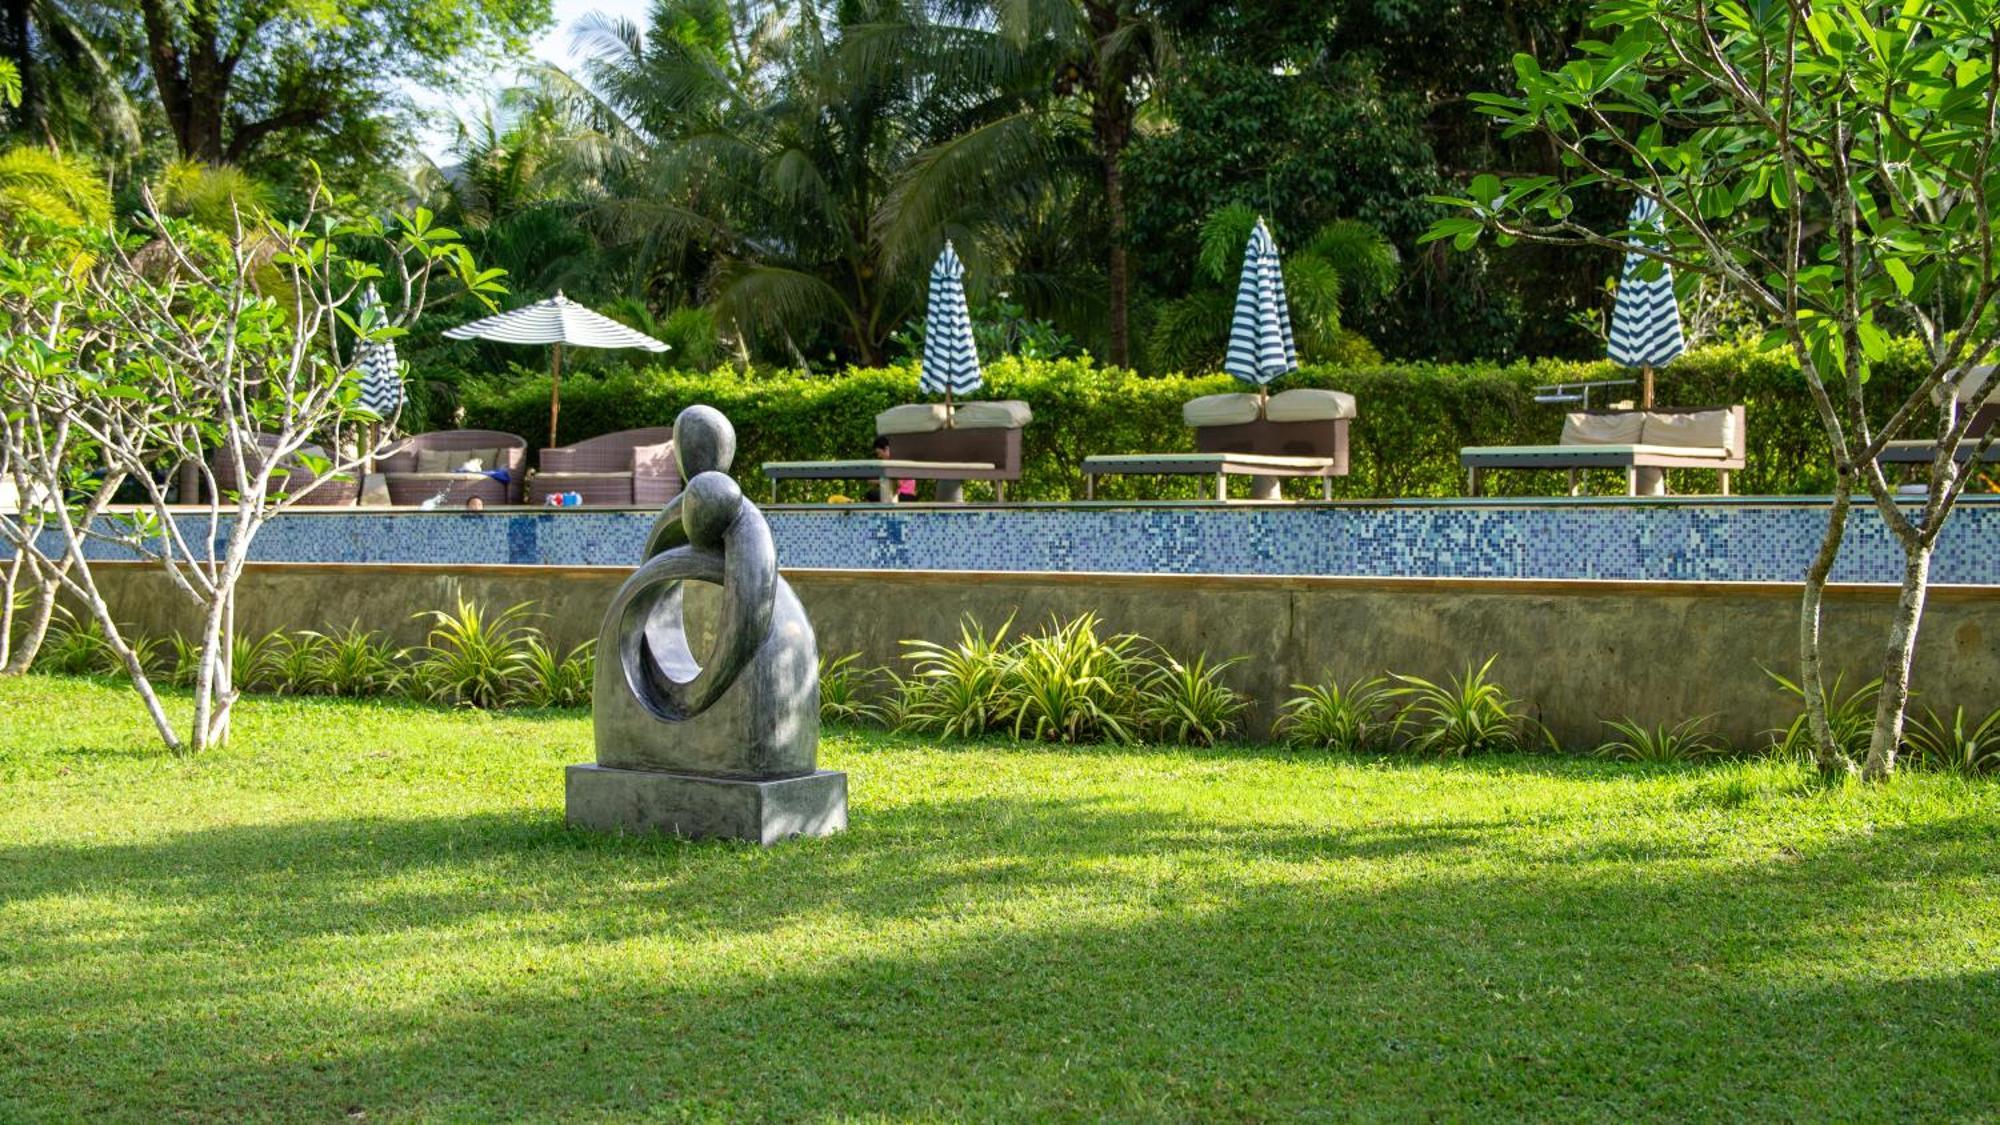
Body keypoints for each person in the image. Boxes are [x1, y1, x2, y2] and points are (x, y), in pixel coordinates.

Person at [864, 435, 918, 502]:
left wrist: (876, 481)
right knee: (872, 494)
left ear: (886, 449)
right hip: (901, 495)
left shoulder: (896, 460)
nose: (879, 456)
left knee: (871, 495)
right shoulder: (894, 459)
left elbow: (897, 483)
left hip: (904, 496)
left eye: (879, 453)